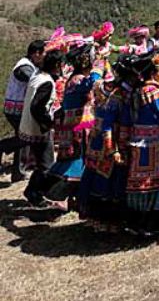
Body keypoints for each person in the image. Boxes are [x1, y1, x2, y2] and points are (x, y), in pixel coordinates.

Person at [123, 50, 159, 236]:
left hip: (136, 142)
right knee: (158, 180)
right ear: (154, 72)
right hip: (155, 144)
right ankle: (153, 220)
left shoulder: (134, 91)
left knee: (139, 182)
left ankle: (137, 220)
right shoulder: (155, 93)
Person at [78, 56, 134, 233]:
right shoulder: (118, 95)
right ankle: (106, 221)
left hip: (102, 140)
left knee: (102, 177)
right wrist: (112, 149)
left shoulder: (112, 89)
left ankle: (102, 219)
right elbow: (108, 124)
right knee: (107, 180)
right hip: (109, 143)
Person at [46, 43, 103, 207]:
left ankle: (74, 198)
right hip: (78, 128)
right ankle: (65, 197)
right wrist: (99, 67)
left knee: (75, 159)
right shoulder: (78, 80)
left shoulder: (73, 79)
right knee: (76, 161)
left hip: (74, 125)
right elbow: (93, 82)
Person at [19, 49, 64, 207]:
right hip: (38, 129)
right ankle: (35, 194)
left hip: (28, 125)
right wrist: (48, 123)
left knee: (41, 162)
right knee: (46, 164)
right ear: (57, 65)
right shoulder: (47, 83)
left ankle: (32, 191)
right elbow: (37, 107)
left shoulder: (37, 75)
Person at [3, 39, 45, 182]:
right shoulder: (23, 67)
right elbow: (33, 80)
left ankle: (18, 172)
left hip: (19, 109)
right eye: (44, 53)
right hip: (15, 110)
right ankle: (4, 147)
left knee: (24, 137)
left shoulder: (31, 65)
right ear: (37, 53)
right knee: (26, 137)